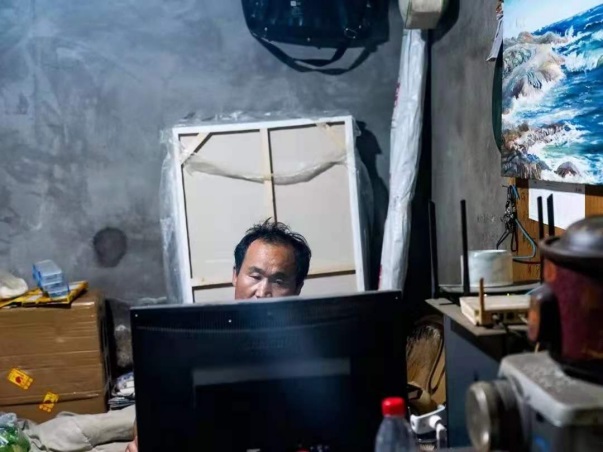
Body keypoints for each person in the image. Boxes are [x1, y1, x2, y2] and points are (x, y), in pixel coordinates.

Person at [125, 219, 311, 451]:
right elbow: (149, 414)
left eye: (279, 281)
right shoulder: (194, 338)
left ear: (298, 288)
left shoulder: (314, 346)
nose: (263, 292)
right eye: (255, 276)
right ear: (235, 275)